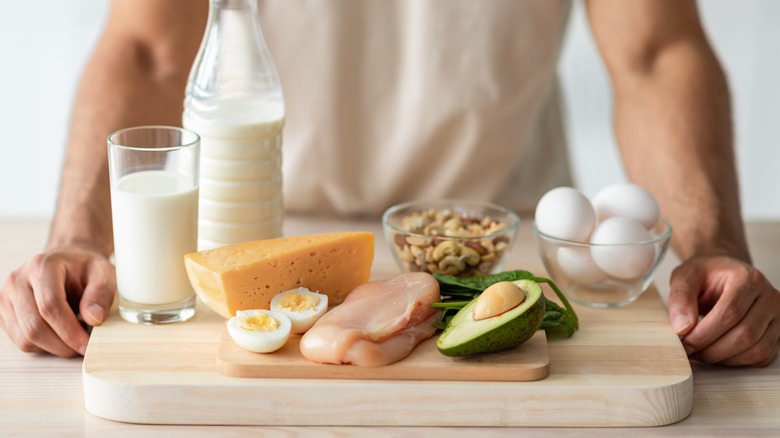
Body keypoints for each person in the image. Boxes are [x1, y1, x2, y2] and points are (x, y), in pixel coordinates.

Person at [1, 0, 778, 366]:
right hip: (265, 243)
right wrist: (76, 235)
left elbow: (656, 53)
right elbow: (144, 48)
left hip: (503, 248)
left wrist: (713, 248)